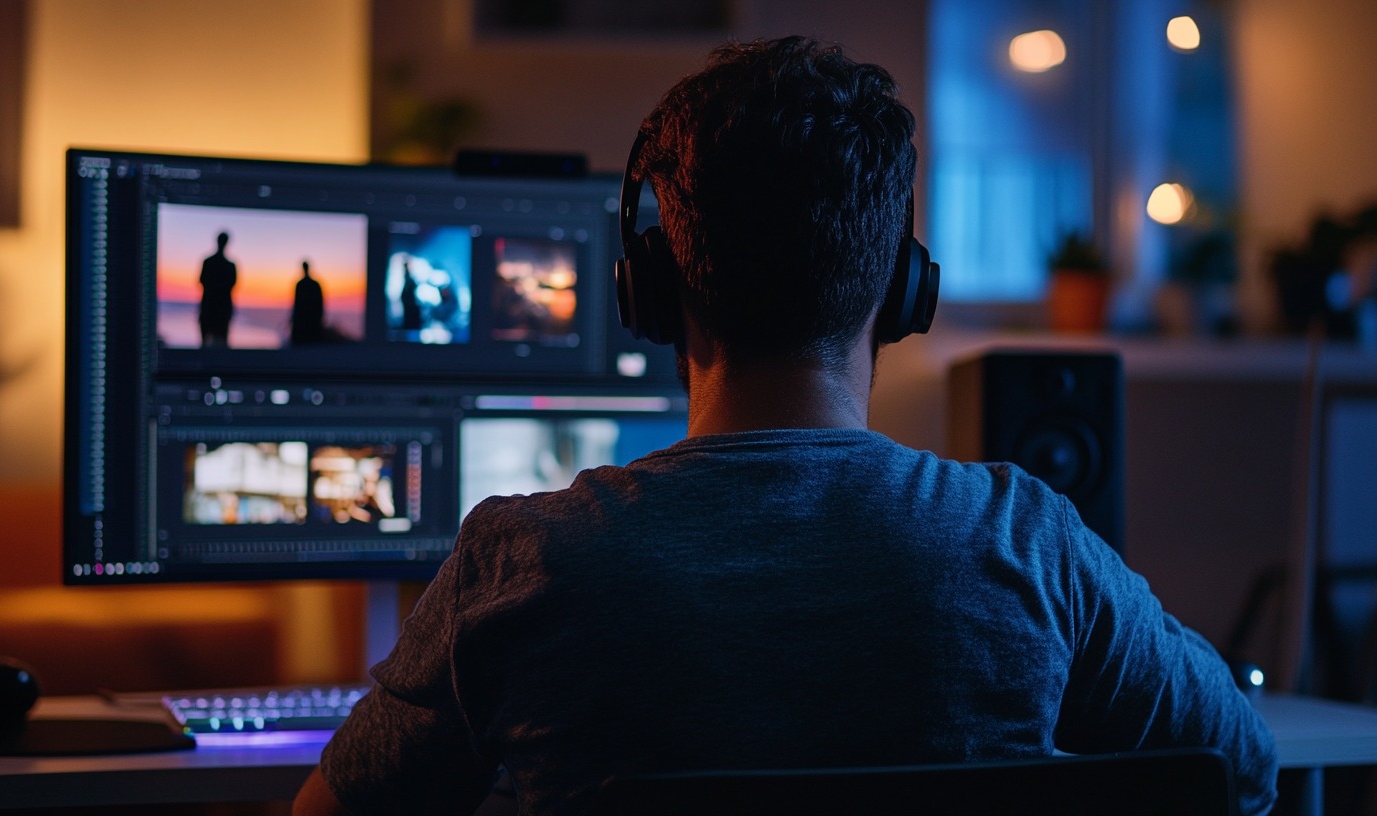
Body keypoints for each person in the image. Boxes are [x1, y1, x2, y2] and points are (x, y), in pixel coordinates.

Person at [294, 36, 1277, 816]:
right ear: (901, 291)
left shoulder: (523, 566)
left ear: (651, 290)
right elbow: (1238, 770)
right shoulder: (1026, 543)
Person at [198, 231, 237, 347]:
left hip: (213, 307)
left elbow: (202, 281)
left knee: (208, 343)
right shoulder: (229, 266)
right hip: (218, 308)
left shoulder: (209, 262)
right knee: (219, 343)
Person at [292, 260, 326, 345]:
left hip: (309, 321)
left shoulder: (302, 285)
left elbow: (319, 303)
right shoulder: (310, 284)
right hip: (307, 321)